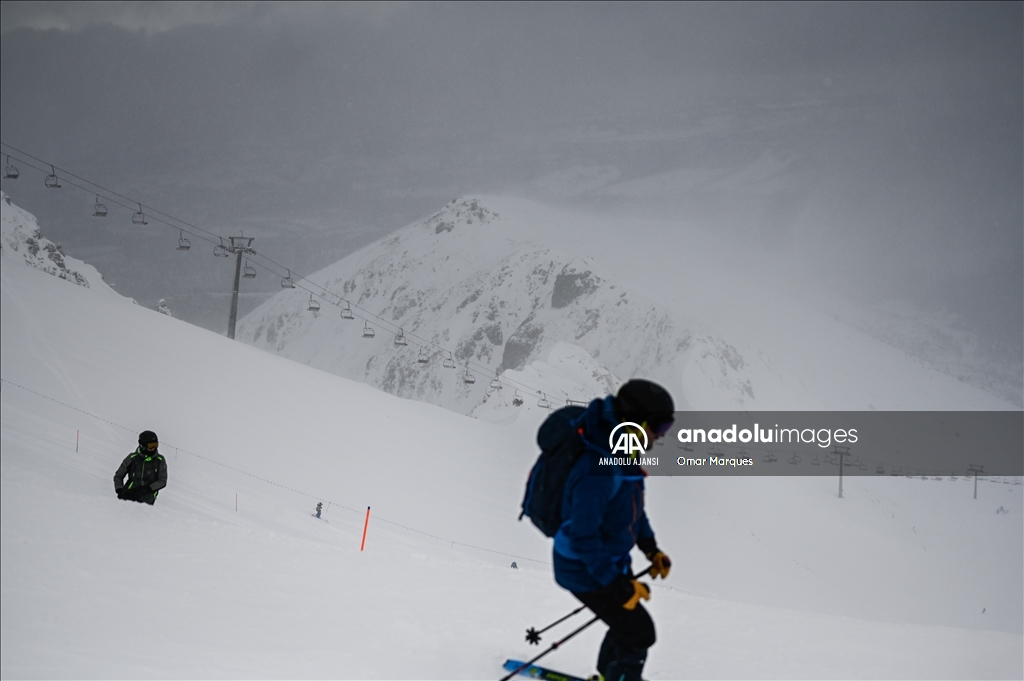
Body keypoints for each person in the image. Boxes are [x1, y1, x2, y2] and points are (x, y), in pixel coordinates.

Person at [550, 379, 674, 681]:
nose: (660, 436)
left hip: (606, 563)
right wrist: (616, 584)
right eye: (660, 426)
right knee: (641, 633)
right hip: (583, 568)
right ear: (637, 422)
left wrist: (650, 548)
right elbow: (583, 536)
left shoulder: (623, 454)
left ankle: (610, 676)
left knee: (626, 625)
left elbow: (632, 508)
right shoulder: (599, 469)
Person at [114, 430, 168, 505]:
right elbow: (118, 475)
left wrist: (147, 489)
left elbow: (162, 481)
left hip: (147, 498)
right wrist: (120, 489)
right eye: (150, 445)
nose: (153, 448)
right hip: (129, 495)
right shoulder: (132, 458)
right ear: (142, 445)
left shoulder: (159, 460)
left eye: (155, 445)